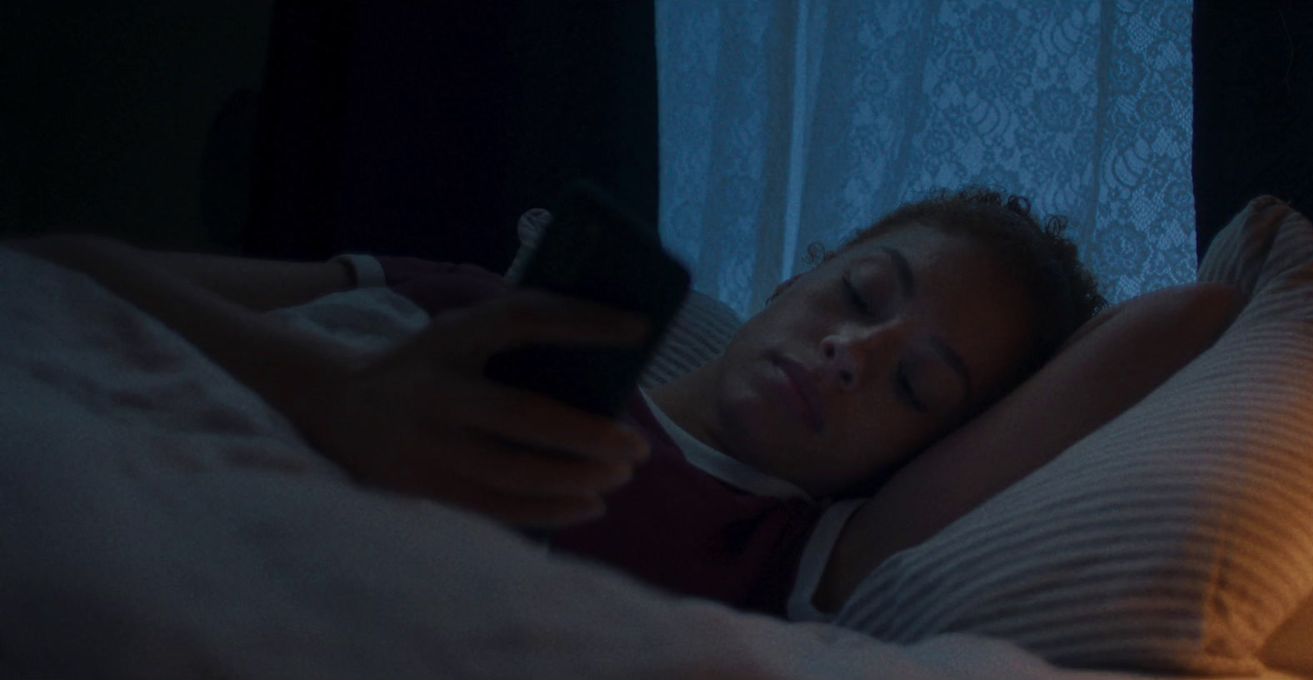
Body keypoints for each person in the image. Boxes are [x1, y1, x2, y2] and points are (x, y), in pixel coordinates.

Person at [9, 187, 1241, 619]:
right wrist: (335, 392)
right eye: (864, 288)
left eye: (918, 383)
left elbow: (1181, 321)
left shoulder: (788, 546)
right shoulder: (501, 313)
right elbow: (60, 271)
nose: (857, 351)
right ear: (801, 266)